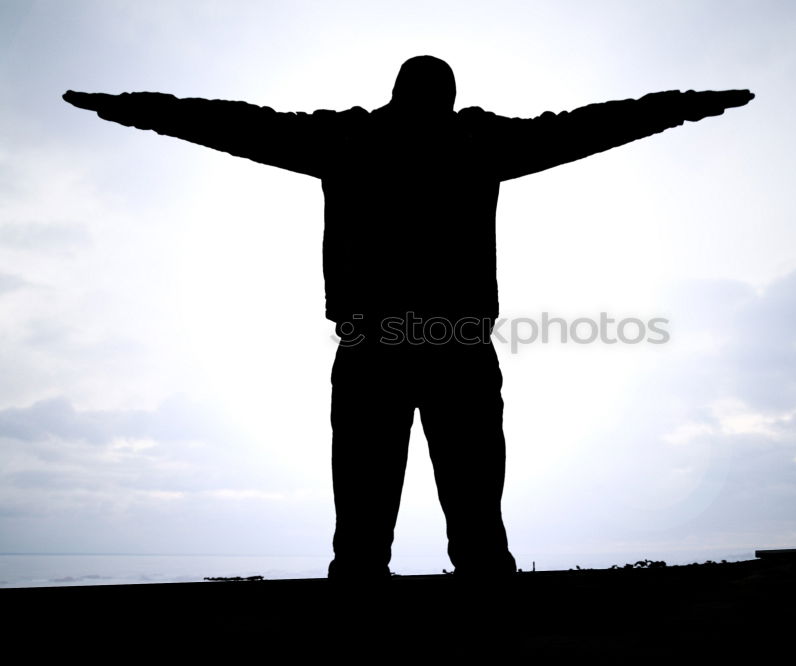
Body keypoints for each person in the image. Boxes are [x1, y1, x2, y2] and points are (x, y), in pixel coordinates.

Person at [64, 55, 753, 579]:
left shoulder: (360, 141)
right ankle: (453, 604)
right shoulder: (459, 142)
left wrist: (132, 107)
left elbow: (231, 122)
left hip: (396, 343)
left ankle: (399, 604)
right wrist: (687, 106)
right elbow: (593, 126)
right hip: (433, 342)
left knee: (402, 518)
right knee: (442, 517)